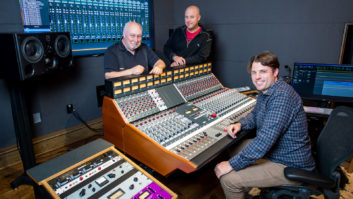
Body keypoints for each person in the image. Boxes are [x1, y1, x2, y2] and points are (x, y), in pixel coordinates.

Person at [214, 51, 315, 199]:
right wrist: (241, 124)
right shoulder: (266, 91)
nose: (257, 77)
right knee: (233, 148)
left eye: (263, 71)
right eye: (254, 72)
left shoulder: (282, 97)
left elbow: (264, 141)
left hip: (290, 164)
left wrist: (231, 166)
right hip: (278, 151)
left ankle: (238, 185)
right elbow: (255, 115)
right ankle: (245, 188)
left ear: (275, 72)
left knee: (229, 180)